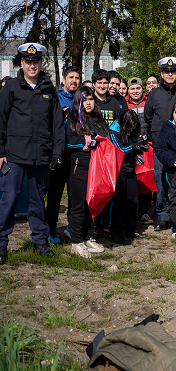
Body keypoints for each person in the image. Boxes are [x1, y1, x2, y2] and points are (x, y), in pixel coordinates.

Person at [0, 43, 64, 262]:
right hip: (14, 156)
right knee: (9, 199)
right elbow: (1, 120)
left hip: (40, 155)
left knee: (38, 200)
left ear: (41, 63)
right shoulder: (12, 87)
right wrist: (1, 151)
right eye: (28, 62)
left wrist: (57, 152)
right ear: (21, 63)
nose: (32, 65)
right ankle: (1, 244)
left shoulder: (48, 88)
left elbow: (57, 124)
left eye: (35, 61)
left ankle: (40, 241)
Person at [144, 57, 176, 231]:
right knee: (160, 182)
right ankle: (162, 216)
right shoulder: (154, 94)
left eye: (173, 71)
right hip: (161, 147)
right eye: (167, 71)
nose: (170, 74)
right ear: (161, 73)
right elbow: (148, 117)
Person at [64, 86, 108, 258]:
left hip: (97, 167)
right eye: (85, 100)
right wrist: (87, 141)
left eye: (91, 99)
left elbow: (107, 137)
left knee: (92, 204)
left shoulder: (98, 119)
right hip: (79, 166)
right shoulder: (73, 119)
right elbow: (68, 142)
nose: (88, 103)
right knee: (79, 205)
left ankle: (88, 237)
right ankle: (76, 242)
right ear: (78, 101)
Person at [47, 65, 80, 243]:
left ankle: (71, 228)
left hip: (77, 154)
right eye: (71, 77)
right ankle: (50, 229)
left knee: (75, 194)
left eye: (77, 78)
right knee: (55, 194)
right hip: (59, 153)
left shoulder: (82, 99)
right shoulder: (55, 98)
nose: (74, 81)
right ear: (63, 80)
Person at [109, 110, 147, 245]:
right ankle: (116, 233)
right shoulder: (113, 132)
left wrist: (137, 152)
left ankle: (132, 229)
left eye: (134, 127)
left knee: (132, 200)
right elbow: (119, 150)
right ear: (123, 123)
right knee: (119, 202)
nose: (131, 130)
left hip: (130, 169)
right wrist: (134, 147)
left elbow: (131, 146)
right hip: (119, 170)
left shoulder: (132, 130)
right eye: (129, 127)